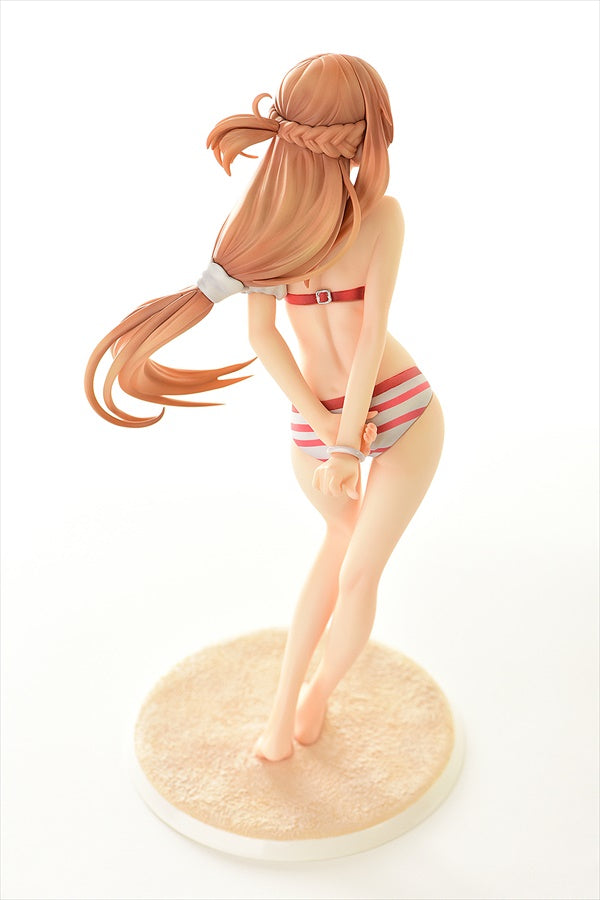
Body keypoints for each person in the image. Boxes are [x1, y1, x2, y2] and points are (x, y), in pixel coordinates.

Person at [85, 53, 445, 762]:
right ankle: (282, 711)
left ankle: (316, 696)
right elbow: (263, 335)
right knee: (338, 548)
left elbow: (372, 336)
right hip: (316, 419)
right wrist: (326, 429)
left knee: (358, 572)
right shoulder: (267, 228)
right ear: (365, 133)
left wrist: (347, 442)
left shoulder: (382, 218)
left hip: (400, 411)